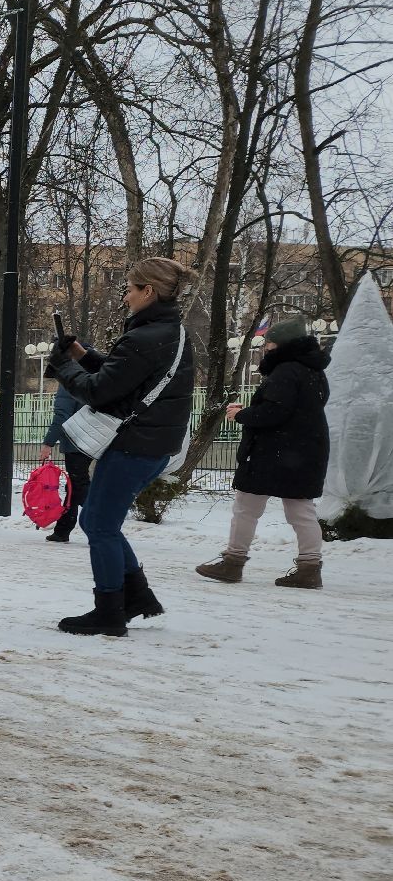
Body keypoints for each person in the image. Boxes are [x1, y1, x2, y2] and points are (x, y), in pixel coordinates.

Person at [49, 257, 195, 636]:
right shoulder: (170, 332)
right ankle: (136, 596)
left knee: (99, 524)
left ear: (149, 291)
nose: (126, 296)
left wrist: (63, 367)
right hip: (153, 444)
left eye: (130, 289)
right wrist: (80, 354)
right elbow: (124, 374)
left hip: (135, 445)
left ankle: (110, 611)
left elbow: (100, 391)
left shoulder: (145, 338)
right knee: (101, 522)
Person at [196, 318, 330, 589]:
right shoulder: (314, 372)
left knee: (246, 507)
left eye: (269, 343)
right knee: (301, 510)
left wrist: (241, 415)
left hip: (273, 453)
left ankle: (233, 562)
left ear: (281, 345)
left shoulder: (286, 371)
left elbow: (274, 412)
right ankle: (309, 568)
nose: (265, 348)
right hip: (306, 451)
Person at [41, 374, 92, 543]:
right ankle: (62, 530)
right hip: (96, 439)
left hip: (76, 442)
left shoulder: (71, 382)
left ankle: (100, 525)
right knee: (74, 486)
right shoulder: (96, 377)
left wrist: (48, 443)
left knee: (79, 486)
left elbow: (62, 415)